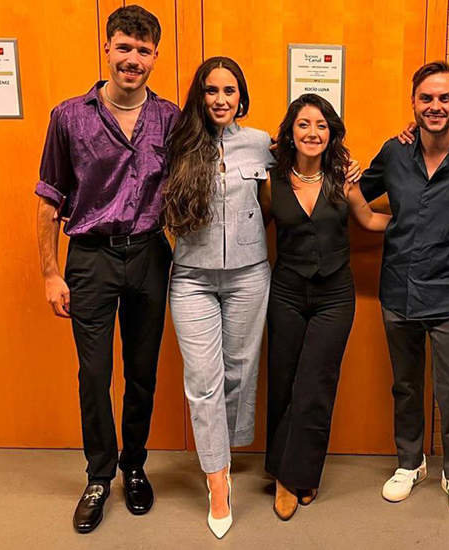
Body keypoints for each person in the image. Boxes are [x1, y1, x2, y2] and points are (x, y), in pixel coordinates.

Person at [34, 5, 178, 534]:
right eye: (124, 47)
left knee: (142, 374)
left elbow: (211, 160)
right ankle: (99, 475)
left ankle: (134, 466)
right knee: (94, 375)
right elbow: (49, 201)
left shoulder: (170, 119)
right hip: (90, 259)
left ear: (155, 57)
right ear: (107, 48)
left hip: (148, 255)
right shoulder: (68, 116)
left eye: (143, 51)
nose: (132, 59)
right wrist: (52, 273)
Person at [358, 61, 449, 520]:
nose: (435, 106)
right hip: (398, 288)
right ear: (414, 103)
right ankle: (410, 463)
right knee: (404, 385)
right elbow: (356, 191)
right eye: (427, 98)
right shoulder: (394, 152)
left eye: (445, 98)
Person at [259, 94, 388, 521]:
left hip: (335, 294)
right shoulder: (271, 180)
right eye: (303, 124)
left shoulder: (343, 180)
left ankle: (298, 473)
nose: (312, 133)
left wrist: (427, 221)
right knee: (283, 381)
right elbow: (253, 227)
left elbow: (369, 220)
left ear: (330, 133)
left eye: (321, 125)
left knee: (316, 384)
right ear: (290, 133)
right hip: (287, 292)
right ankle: (283, 472)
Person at [162, 56, 273, 539]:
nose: (221, 99)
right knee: (202, 379)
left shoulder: (262, 143)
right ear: (200, 96)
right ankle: (218, 480)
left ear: (241, 97)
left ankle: (223, 450)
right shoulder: (177, 143)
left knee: (238, 371)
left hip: (250, 275)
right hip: (192, 279)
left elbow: (304, 172)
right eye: (211, 91)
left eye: (230, 91)